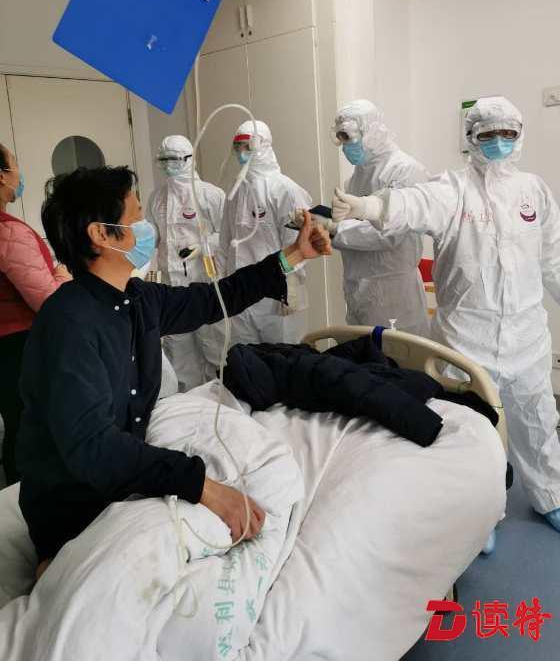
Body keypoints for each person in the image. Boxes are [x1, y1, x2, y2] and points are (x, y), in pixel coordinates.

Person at [16, 165, 330, 574]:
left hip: (121, 492)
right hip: (74, 515)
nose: (147, 228)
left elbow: (215, 298)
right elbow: (94, 448)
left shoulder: (138, 299)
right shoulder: (67, 324)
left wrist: (294, 255)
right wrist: (200, 485)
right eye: (136, 217)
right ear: (101, 234)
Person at [333, 96, 560, 543]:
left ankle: (553, 495)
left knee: (537, 417)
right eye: (488, 134)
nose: (498, 142)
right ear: (471, 137)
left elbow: (556, 256)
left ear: (520, 136)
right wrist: (369, 208)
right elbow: (416, 203)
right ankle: (480, 510)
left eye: (507, 134)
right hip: (465, 336)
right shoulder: (453, 188)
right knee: (472, 427)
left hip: (527, 334)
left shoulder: (533, 191)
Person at [323, 99, 430, 335]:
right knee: (362, 354)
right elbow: (351, 228)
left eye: (348, 137)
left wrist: (335, 229)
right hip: (357, 290)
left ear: (371, 132)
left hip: (395, 295)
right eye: (340, 138)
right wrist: (328, 226)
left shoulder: (405, 170)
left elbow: (390, 232)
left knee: (398, 355)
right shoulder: (354, 179)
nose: (344, 145)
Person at [0, 144, 70, 485]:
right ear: (2, 177)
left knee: (15, 419)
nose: (19, 174)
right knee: (27, 423)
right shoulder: (8, 231)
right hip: (17, 344)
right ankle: (27, 493)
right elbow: (47, 300)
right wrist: (62, 275)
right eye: (14, 165)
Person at [216, 120, 312, 347]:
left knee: (284, 357)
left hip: (275, 295)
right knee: (246, 358)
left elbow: (298, 243)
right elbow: (226, 241)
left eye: (247, 146)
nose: (241, 153)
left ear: (264, 146)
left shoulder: (285, 189)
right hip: (240, 293)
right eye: (237, 147)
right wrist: (222, 281)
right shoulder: (236, 191)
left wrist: (291, 285)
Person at [147, 135, 225, 389]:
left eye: (174, 160)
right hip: (171, 287)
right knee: (179, 352)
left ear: (188, 159)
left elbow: (227, 235)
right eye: (164, 160)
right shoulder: (157, 198)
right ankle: (189, 403)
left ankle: (223, 401)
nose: (168, 166)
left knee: (215, 347)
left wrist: (203, 247)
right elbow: (155, 236)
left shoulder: (210, 195)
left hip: (204, 283)